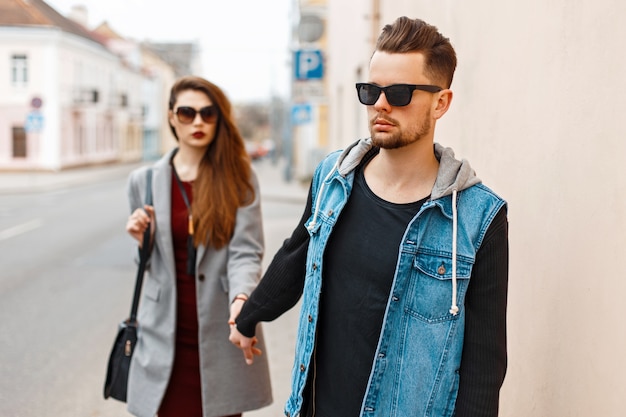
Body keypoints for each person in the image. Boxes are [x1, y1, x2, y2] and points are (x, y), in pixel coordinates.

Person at [230, 16, 508, 417]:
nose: (380, 104)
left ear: (441, 102)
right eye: (371, 90)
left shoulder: (479, 217)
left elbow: (484, 362)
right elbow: (297, 255)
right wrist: (248, 318)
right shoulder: (332, 177)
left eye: (398, 93)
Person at [124, 75, 272, 417]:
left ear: (219, 119)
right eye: (187, 113)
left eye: (208, 113)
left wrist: (242, 301)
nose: (198, 122)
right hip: (163, 336)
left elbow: (246, 252)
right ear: (172, 116)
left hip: (223, 330)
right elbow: (149, 265)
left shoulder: (239, 178)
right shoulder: (143, 181)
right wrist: (140, 241)